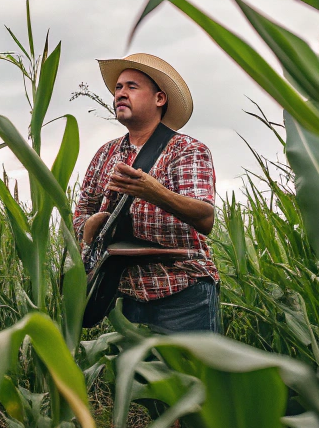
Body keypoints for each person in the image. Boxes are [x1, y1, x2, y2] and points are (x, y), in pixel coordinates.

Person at [73, 53, 220, 333]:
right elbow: (82, 211)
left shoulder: (188, 150)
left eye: (131, 87)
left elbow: (205, 218)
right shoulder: (105, 154)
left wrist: (153, 192)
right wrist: (89, 226)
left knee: (192, 378)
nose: (121, 94)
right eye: (118, 88)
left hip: (183, 293)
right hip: (122, 295)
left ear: (160, 99)